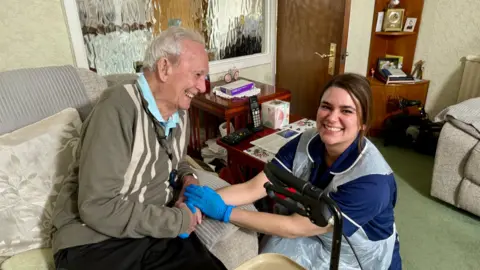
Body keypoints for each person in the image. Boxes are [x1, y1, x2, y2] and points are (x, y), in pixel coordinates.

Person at [184, 73, 402, 269]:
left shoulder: (372, 182)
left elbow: (295, 227)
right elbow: (253, 188)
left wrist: (226, 212)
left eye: (346, 111)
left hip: (355, 254)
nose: (332, 118)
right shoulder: (308, 141)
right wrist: (200, 201)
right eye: (326, 106)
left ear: (363, 122)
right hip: (312, 231)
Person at [51, 26, 226, 270]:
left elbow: (178, 159)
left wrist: (189, 177)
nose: (203, 86)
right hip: (94, 241)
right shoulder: (117, 108)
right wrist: (176, 221)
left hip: (151, 233)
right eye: (197, 74)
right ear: (165, 68)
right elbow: (96, 206)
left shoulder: (179, 111)